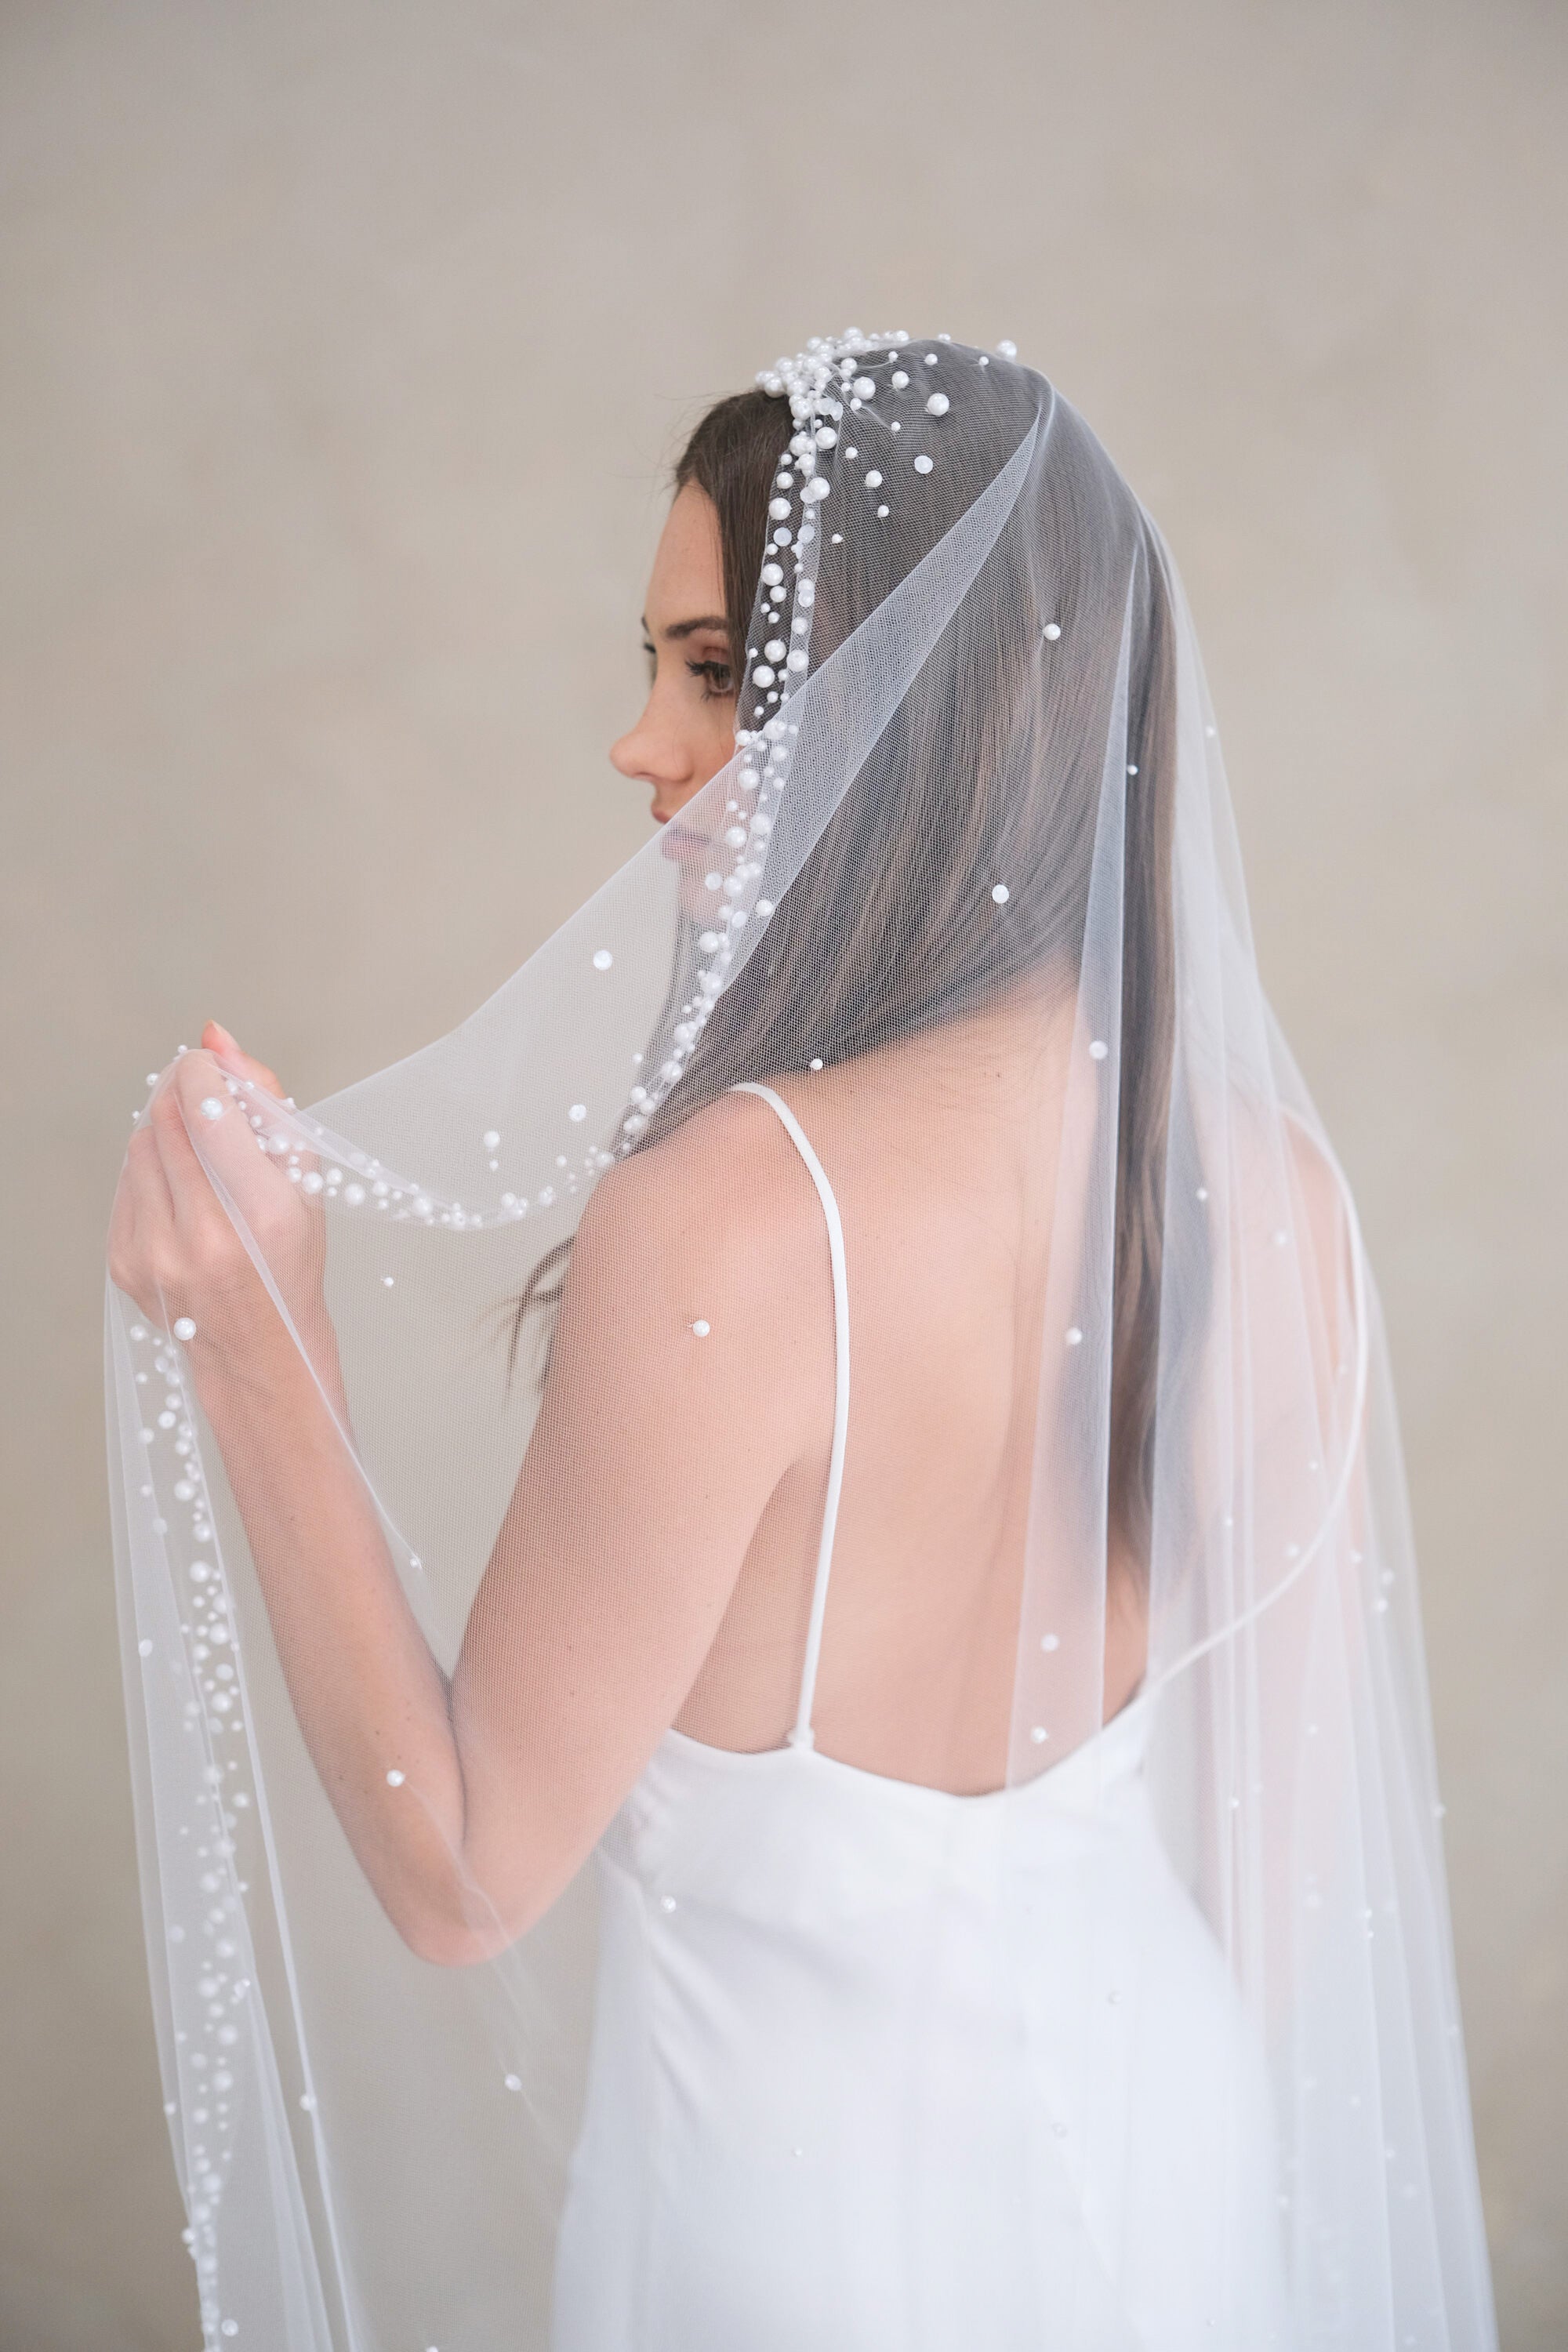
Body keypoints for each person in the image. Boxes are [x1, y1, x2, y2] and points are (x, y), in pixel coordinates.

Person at [107, 333, 1497, 2350]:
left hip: (797, 2241)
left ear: (906, 704)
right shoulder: (1269, 1192)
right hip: (1173, 2180)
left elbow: (468, 1871)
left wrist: (260, 1344)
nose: (640, 746)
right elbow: (1272, 1897)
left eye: (712, 674)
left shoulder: (735, 1221)